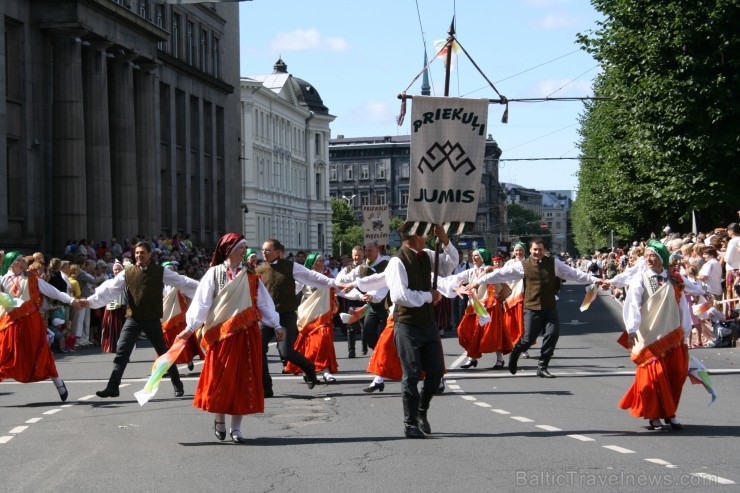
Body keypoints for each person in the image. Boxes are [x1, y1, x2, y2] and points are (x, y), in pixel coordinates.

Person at [177, 233, 285, 444]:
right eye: (240, 247)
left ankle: (236, 427)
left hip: (246, 332)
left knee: (243, 380)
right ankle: (219, 420)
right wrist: (190, 328)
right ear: (229, 250)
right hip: (221, 335)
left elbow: (263, 302)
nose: (244, 251)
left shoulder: (249, 274)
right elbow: (202, 304)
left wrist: (276, 324)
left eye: (245, 248)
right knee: (221, 379)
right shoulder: (214, 274)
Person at [470, 238, 604, 378]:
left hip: (549, 306)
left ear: (544, 250)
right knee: (528, 339)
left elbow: (573, 274)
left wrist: (594, 279)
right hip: (532, 307)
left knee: (552, 335)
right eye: (535, 249)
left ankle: (542, 366)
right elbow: (501, 274)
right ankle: (515, 354)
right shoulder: (523, 265)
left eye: (540, 249)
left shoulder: (553, 263)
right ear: (530, 250)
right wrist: (478, 282)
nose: (537, 252)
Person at [85, 241, 199, 398]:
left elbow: (182, 281)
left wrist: (205, 288)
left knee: (163, 353)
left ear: (150, 255)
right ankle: (113, 387)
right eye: (137, 253)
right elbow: (110, 288)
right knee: (122, 352)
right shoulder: (128, 272)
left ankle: (177, 384)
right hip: (133, 318)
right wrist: (89, 301)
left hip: (152, 319)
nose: (139, 255)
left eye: (142, 253)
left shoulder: (160, 271)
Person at [618, 240, 703, 430]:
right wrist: (631, 330)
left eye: (653, 255)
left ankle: (670, 413)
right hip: (650, 336)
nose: (649, 259)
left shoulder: (675, 279)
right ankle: (654, 416)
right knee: (655, 376)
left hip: (673, 335)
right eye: (647, 255)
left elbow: (690, 294)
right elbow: (631, 305)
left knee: (677, 375)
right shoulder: (640, 279)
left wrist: (707, 293)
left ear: (662, 259)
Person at [386, 224, 458, 438]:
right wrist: (430, 295)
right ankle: (410, 424)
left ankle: (421, 411)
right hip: (407, 326)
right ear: (415, 236)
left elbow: (449, 265)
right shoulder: (397, 261)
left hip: (427, 324)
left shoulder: (426, 255)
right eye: (424, 233)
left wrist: (445, 240)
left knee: (436, 373)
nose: (427, 237)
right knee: (411, 375)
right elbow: (400, 296)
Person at [256, 239, 343, 396]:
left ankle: (309, 367)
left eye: (268, 250)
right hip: (267, 317)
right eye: (263, 250)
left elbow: (311, 277)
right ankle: (266, 387)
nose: (264, 252)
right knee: (258, 350)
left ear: (278, 251)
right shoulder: (259, 270)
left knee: (286, 353)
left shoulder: (290, 266)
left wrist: (333, 283)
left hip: (286, 314)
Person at [0, 251, 83, 402]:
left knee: (40, 352)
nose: (23, 262)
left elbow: (55, 292)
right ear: (12, 263)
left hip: (31, 322)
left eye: (23, 260)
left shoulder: (33, 279)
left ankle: (58, 383)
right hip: (9, 323)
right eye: (19, 260)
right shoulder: (2, 280)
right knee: (3, 355)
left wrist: (71, 301)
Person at [453, 250, 512, 369]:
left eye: (477, 256)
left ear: (483, 257)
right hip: (473, 306)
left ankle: (499, 359)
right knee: (465, 330)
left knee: (492, 333)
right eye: (472, 255)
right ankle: (472, 358)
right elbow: (456, 279)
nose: (473, 258)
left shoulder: (490, 270)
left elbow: (504, 287)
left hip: (488, 305)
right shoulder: (470, 271)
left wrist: (497, 300)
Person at [286, 253, 340, 383]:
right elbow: (291, 292)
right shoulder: (303, 278)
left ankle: (326, 371)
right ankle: (307, 368)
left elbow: (338, 292)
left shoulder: (328, 278)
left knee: (325, 339)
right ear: (312, 263)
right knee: (310, 344)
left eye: (322, 261)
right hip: (309, 315)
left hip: (323, 315)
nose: (321, 263)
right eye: (318, 261)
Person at [161, 261, 203, 371]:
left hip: (179, 317)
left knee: (183, 340)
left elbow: (191, 293)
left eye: (171, 269)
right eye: (167, 270)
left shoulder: (180, 282)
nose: (169, 272)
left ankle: (188, 360)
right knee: (165, 343)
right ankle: (165, 367)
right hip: (165, 317)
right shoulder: (159, 285)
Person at [335, 245, 365, 358]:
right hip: (351, 300)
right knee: (351, 326)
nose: (357, 257)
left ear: (363, 255)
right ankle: (351, 350)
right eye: (355, 255)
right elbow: (338, 281)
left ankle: (364, 344)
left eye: (359, 255)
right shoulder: (347, 269)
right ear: (352, 256)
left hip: (365, 300)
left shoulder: (367, 267)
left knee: (365, 326)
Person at [100, 260, 127, 353]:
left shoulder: (127, 282)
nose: (117, 271)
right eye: (115, 270)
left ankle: (123, 350)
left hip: (123, 309)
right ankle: (112, 347)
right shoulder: (109, 282)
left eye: (119, 269)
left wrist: (124, 304)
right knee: (111, 328)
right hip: (111, 308)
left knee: (123, 330)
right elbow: (101, 293)